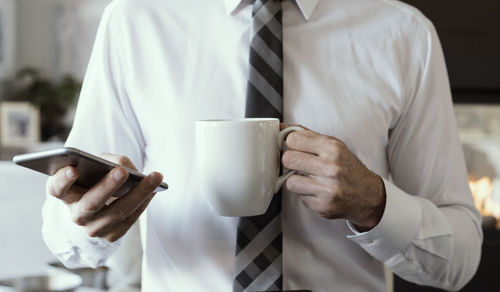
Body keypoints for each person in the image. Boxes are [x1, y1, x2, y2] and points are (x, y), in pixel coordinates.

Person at [42, 0, 483, 291]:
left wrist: (374, 205)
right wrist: (83, 224)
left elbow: (460, 257)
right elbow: (68, 229)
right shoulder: (135, 21)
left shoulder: (403, 33)